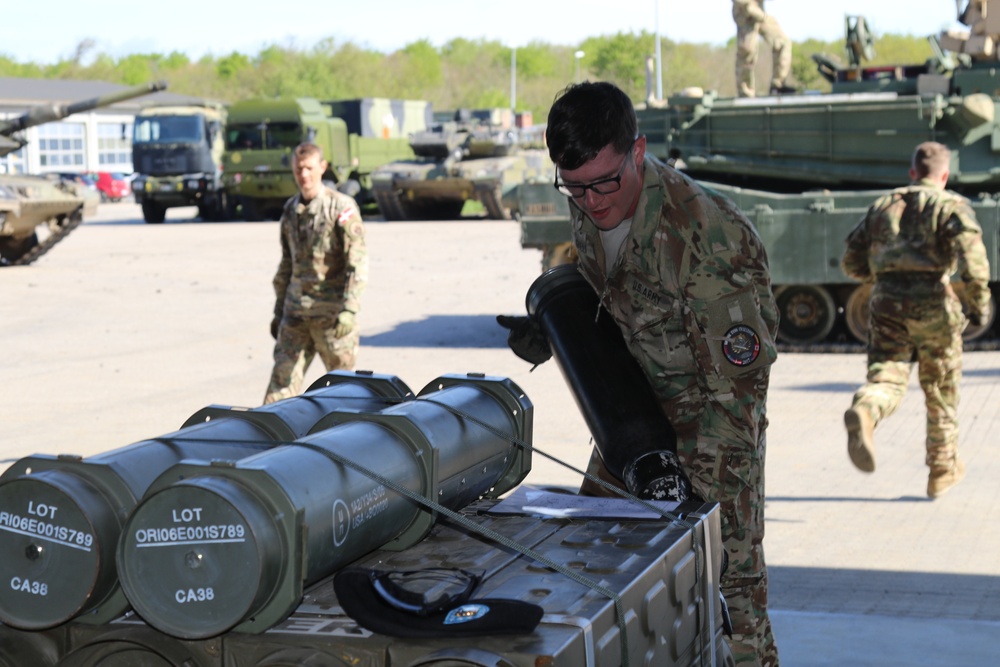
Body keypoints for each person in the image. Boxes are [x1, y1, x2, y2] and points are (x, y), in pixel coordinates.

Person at [545, 81, 780, 666]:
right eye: (574, 187)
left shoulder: (707, 237)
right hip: (635, 412)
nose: (593, 203)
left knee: (730, 592)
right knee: (595, 553)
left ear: (638, 151)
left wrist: (694, 506)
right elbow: (613, 296)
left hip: (714, 424)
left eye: (605, 182)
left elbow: (737, 398)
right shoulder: (590, 200)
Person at [841, 141, 991, 498]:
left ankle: (866, 408)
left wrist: (884, 279)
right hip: (934, 304)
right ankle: (941, 470)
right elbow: (974, 257)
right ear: (944, 175)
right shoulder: (950, 205)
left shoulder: (881, 206)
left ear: (912, 173)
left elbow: (851, 261)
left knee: (888, 375)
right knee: (940, 388)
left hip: (886, 301)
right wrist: (978, 304)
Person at [263, 142, 368, 404]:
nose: (304, 175)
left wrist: (349, 309)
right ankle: (272, 442)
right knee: (278, 391)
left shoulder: (341, 208)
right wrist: (278, 311)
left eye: (309, 168)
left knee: (345, 393)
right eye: (299, 169)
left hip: (332, 319)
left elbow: (357, 262)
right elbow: (287, 265)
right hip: (296, 315)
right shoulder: (290, 211)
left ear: (322, 167)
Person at [732, 0, 794, 97]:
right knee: (747, 51)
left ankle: (777, 85)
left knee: (782, 42)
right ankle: (745, 92)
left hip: (759, 12)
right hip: (745, 12)